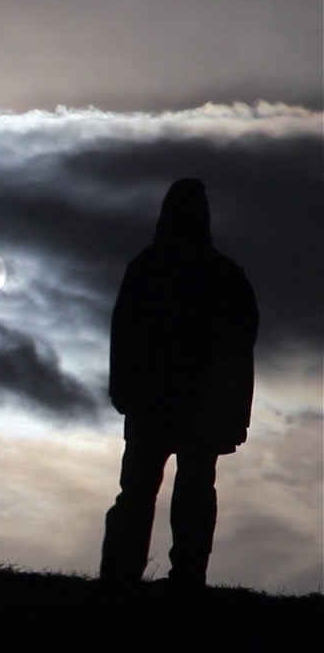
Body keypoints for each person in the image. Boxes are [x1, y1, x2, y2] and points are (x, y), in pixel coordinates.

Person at [99, 178, 258, 590]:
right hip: (191, 402)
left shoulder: (148, 268)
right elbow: (240, 349)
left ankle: (124, 574)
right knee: (188, 490)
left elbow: (125, 333)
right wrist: (234, 411)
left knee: (143, 491)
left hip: (161, 400)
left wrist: (123, 390)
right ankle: (184, 576)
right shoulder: (224, 275)